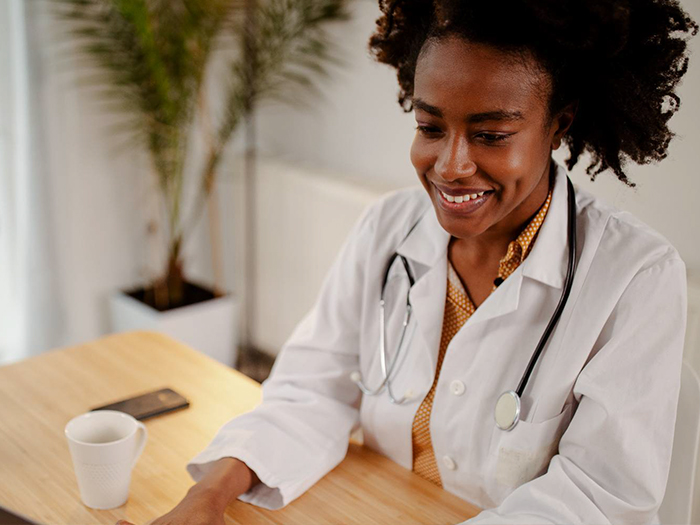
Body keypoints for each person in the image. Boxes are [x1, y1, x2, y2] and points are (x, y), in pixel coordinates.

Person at [118, 1, 698, 524]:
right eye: (429, 127)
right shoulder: (388, 229)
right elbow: (309, 390)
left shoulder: (635, 277)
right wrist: (208, 498)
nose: (450, 165)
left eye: (491, 135)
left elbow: (594, 497)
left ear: (559, 125)